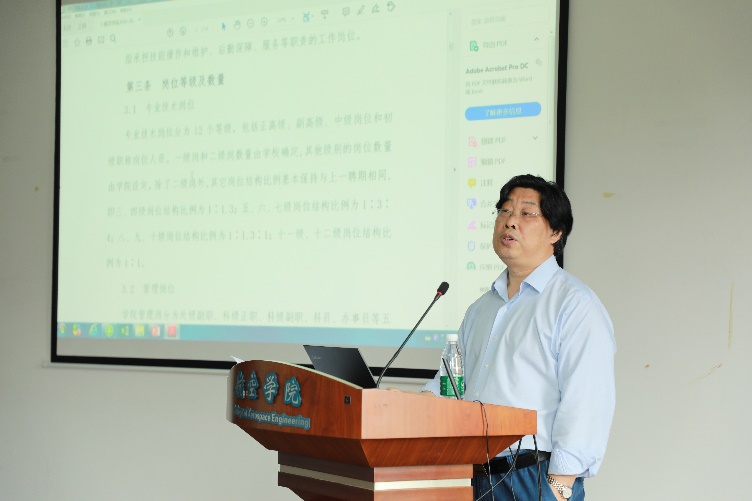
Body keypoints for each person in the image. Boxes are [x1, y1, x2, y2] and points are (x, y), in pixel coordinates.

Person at [421, 174, 616, 500]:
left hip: (533, 476)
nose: (510, 221)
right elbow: (451, 385)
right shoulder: (480, 309)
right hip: (472, 475)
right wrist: (407, 403)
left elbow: (587, 403)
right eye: (505, 211)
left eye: (526, 213)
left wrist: (559, 488)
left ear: (555, 232)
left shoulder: (574, 305)